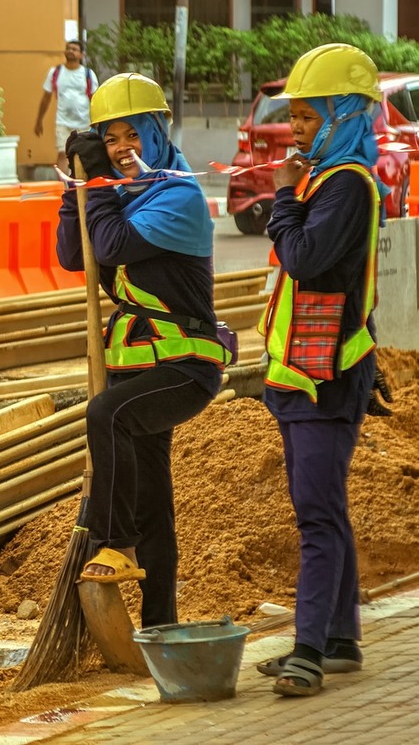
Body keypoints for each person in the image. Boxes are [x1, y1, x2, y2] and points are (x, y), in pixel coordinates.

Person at [56, 73, 231, 630]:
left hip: (187, 368)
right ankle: (161, 625)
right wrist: (76, 189)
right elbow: (73, 254)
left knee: (107, 415)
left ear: (159, 129)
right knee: (155, 502)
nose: (123, 147)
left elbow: (112, 245)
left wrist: (101, 184)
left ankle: (116, 544)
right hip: (142, 369)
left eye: (134, 133)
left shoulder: (178, 195)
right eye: (110, 138)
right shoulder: (122, 192)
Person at [253, 43, 390, 697]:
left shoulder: (347, 185)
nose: (297, 128)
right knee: (326, 506)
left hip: (326, 376)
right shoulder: (328, 181)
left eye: (310, 116)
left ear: (345, 115)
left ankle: (307, 652)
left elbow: (304, 258)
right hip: (309, 371)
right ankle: (338, 639)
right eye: (297, 116)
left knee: (315, 514)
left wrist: (282, 199)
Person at [35, 40, 99, 170]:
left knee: (83, 154)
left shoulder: (88, 74)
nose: (70, 51)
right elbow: (46, 98)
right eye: (68, 48)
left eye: (74, 49)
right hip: (63, 121)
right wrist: (39, 120)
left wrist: (97, 120)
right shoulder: (55, 72)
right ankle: (64, 187)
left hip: (84, 123)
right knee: (62, 153)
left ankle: (82, 186)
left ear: (82, 55)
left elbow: (95, 99)